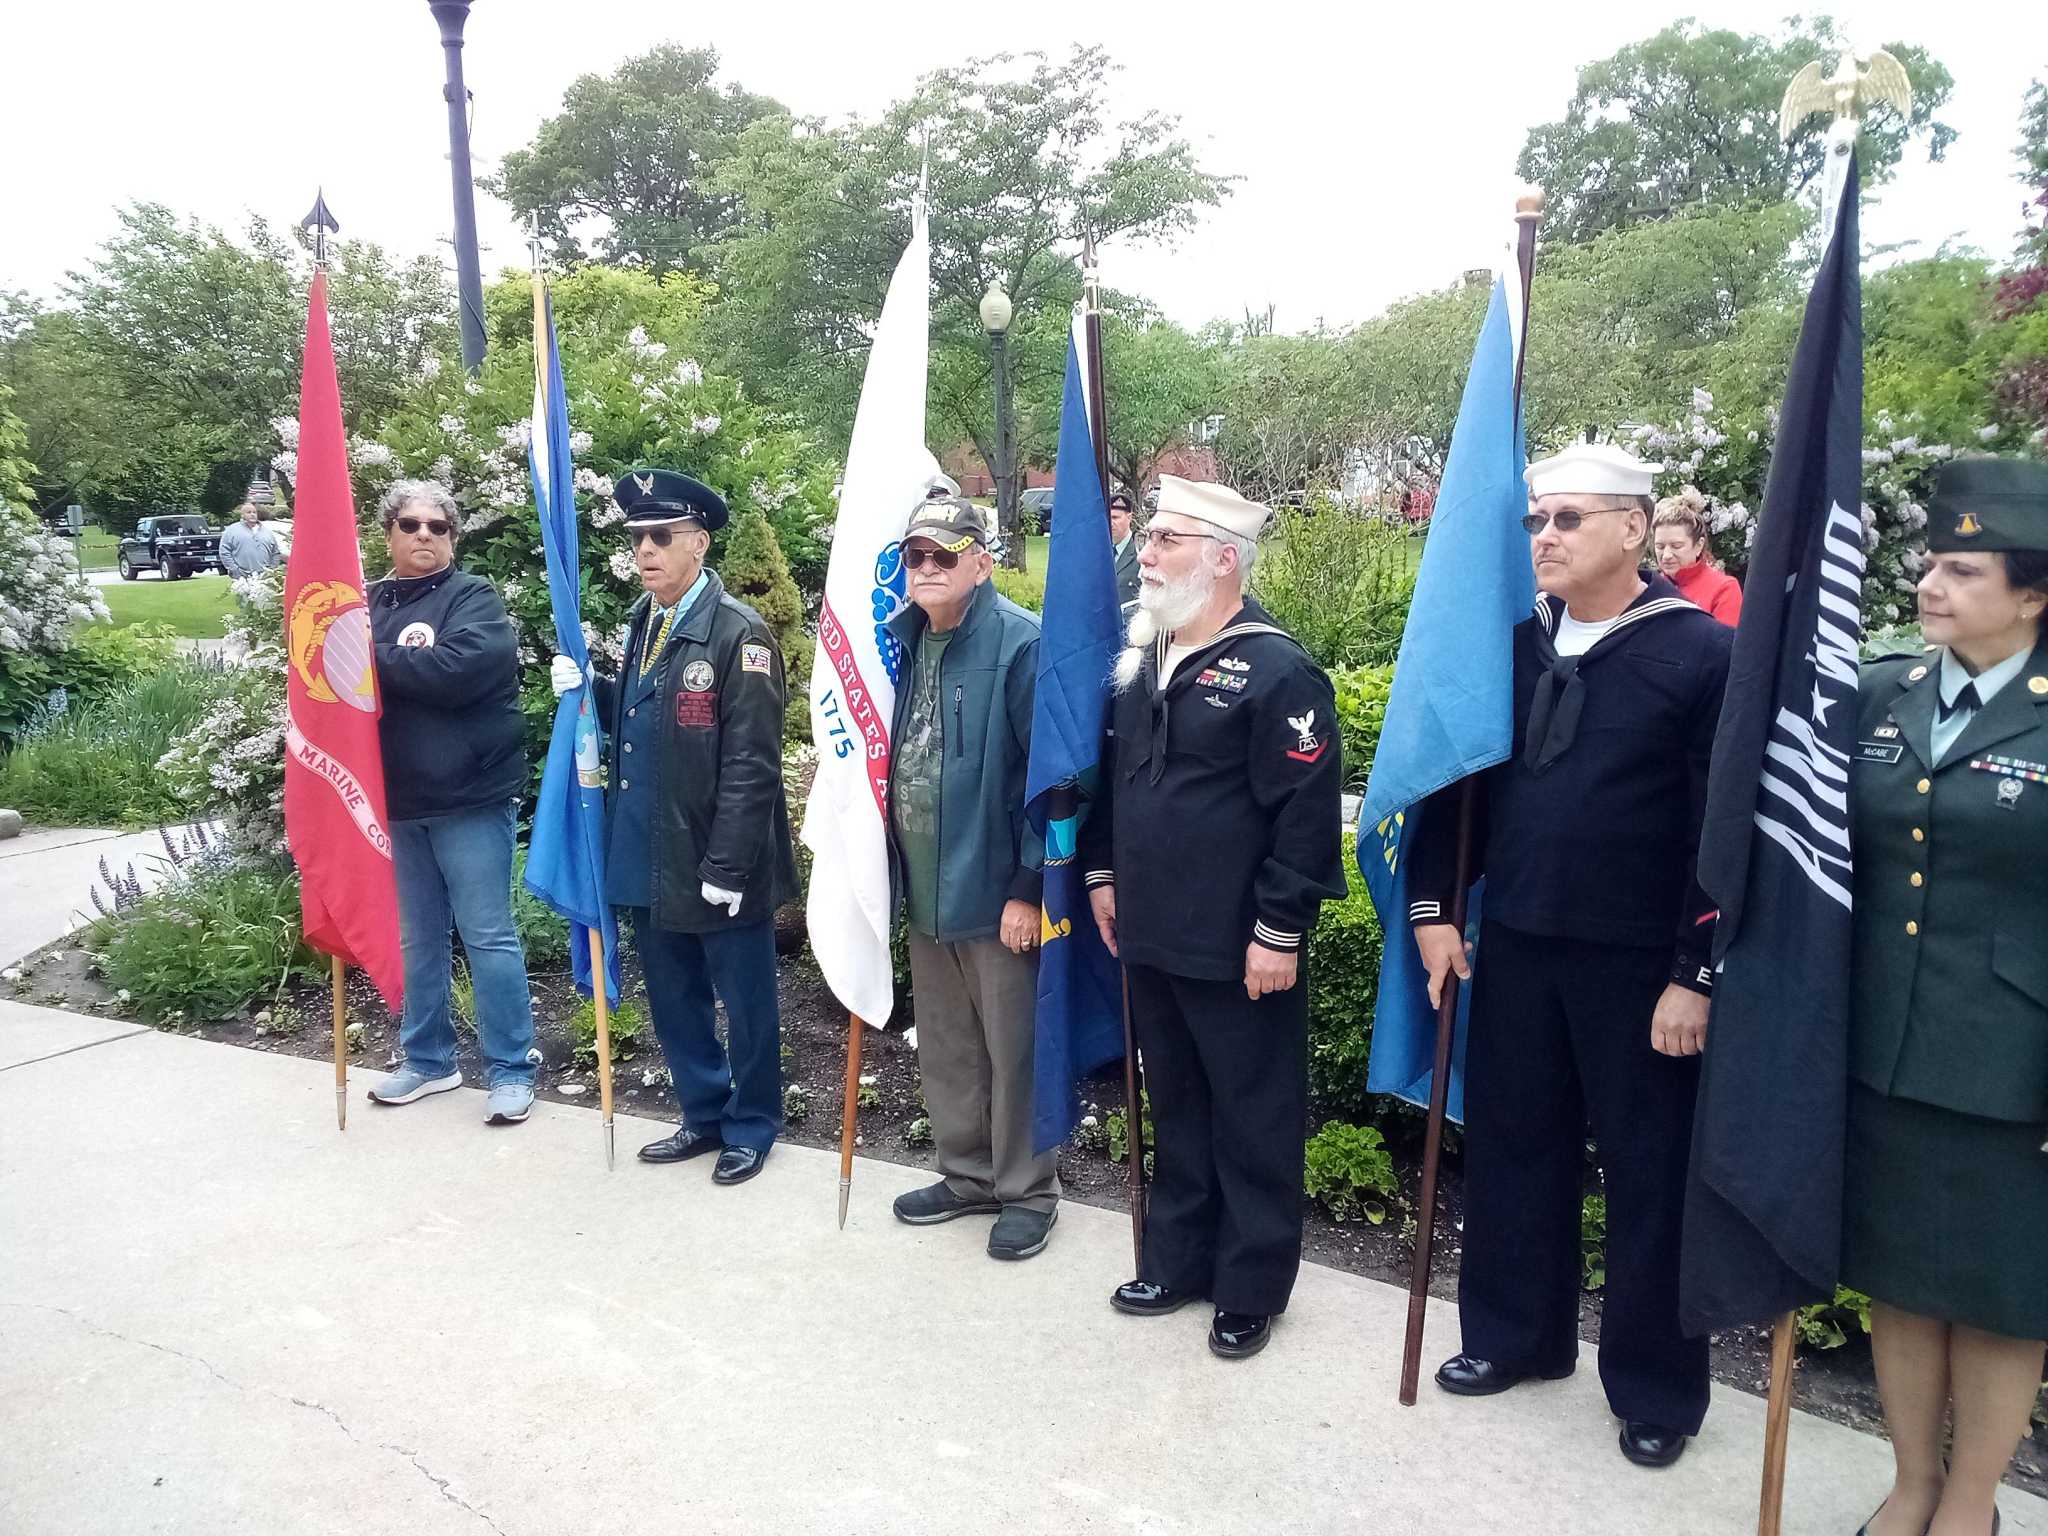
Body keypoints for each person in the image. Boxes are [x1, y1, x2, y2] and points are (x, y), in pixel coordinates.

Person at [1407, 441, 1732, 1467]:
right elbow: (1456, 786)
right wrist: (1433, 909)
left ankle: (1652, 1387)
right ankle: (1512, 1337)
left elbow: (1716, 833)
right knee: (1511, 1149)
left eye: (1568, 520)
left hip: (1639, 968)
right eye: (1536, 522)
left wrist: (1694, 972)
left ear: (1633, 530)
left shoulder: (1698, 654)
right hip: (1518, 948)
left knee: (1647, 1177)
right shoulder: (1509, 644)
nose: (1544, 538)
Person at [1082, 474, 1345, 1360]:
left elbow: (1303, 817)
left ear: (1223, 559)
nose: (1145, 555)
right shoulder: (1141, 657)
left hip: (1239, 948)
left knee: (1253, 1116)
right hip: (1152, 931)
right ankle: (1180, 1261)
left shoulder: (1278, 669)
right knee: (1179, 1105)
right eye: (1149, 537)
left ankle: (1251, 1284)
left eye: (1166, 541)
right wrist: (1104, 874)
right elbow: (1118, 785)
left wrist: (1279, 932)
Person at [1842, 456, 2048, 1536]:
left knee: (2004, 1294)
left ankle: (1972, 1501)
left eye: (1961, 571)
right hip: (1883, 1039)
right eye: (1928, 564)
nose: (1928, 584)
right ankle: (1911, 1477)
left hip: (2011, 1059)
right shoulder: (1885, 691)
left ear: (2030, 594)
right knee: (1903, 1278)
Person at [553, 468, 797, 1186]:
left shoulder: (738, 634)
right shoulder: (646, 619)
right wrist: (591, 691)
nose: (645, 551)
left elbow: (752, 764)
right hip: (653, 851)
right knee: (675, 996)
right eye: (637, 539)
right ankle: (703, 1112)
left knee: (747, 1004)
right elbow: (643, 712)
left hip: (717, 859)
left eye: (661, 537)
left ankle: (752, 1124)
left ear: (698, 542)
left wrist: (726, 866)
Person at [883, 485, 1057, 1258]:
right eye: (913, 556)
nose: (925, 568)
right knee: (949, 1042)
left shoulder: (1021, 643)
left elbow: (1056, 779)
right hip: (927, 885)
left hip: (995, 889)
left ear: (981, 563)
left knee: (1013, 1046)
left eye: (942, 555)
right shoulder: (902, 636)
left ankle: (1028, 1189)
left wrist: (1030, 889)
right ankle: (966, 1175)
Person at [363, 480, 538, 1124]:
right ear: (389, 534)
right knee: (418, 939)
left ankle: (513, 1068)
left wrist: (369, 660)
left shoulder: (475, 598)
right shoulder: (367, 604)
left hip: (470, 798)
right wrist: (369, 657)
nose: (424, 536)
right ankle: (428, 1061)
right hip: (398, 802)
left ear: (453, 538)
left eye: (438, 527)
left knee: (488, 936)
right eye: (409, 525)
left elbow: (460, 670)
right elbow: (333, 681)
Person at [1651, 487, 1741, 626]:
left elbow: (1725, 644)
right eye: (1660, 547)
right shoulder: (1648, 588)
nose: (1666, 555)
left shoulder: (1724, 589)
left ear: (1699, 545)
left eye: (1676, 546)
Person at [218, 501, 283, 579]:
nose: (252, 514)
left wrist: (272, 569)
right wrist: (235, 570)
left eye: (254, 512)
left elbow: (275, 552)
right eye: (249, 512)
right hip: (241, 577)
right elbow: (224, 552)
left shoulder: (267, 532)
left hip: (265, 577)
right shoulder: (231, 531)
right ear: (242, 515)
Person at [1108, 490, 1141, 606]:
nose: (1111, 523)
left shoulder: (1140, 554)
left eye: (1115, 518)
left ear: (1129, 518)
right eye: (1108, 518)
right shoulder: (1100, 553)